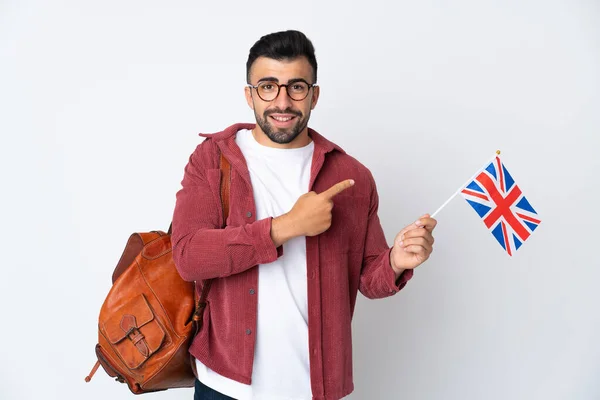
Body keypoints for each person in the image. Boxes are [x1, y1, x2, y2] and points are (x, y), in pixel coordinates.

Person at [171, 30, 437, 400]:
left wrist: (394, 261)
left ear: (314, 94)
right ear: (249, 94)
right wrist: (285, 227)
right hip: (225, 385)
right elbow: (189, 257)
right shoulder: (213, 160)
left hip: (315, 388)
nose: (282, 101)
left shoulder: (352, 177)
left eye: (296, 87)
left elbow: (369, 280)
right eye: (268, 86)